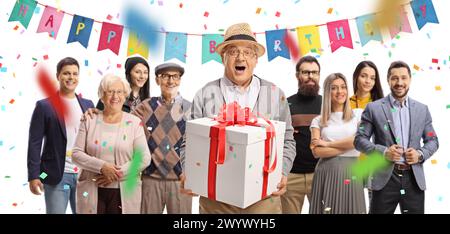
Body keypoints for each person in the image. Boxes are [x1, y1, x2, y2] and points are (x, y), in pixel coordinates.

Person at [180, 22, 296, 214]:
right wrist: (189, 172)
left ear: (256, 59)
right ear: (222, 57)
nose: (241, 57)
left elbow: (288, 141)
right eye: (233, 52)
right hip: (215, 200)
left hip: (263, 199)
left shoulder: (275, 94)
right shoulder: (205, 93)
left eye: (248, 52)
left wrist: (282, 172)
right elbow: (189, 141)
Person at [354, 61, 439, 214]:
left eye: (403, 78)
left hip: (414, 180)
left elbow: (433, 140)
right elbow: (359, 140)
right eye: (394, 78)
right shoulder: (373, 108)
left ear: (410, 79)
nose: (399, 83)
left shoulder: (422, 109)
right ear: (388, 80)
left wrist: (420, 154)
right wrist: (384, 152)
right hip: (384, 179)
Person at [72, 74, 151, 214]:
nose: (115, 96)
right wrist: (102, 167)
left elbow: (144, 158)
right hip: (92, 189)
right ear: (102, 95)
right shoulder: (89, 119)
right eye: (110, 91)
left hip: (124, 191)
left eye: (119, 92)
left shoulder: (134, 123)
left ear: (125, 95)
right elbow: (76, 154)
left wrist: (115, 174)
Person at [27, 57, 94, 214]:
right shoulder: (44, 106)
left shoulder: (88, 105)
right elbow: (35, 143)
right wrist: (34, 176)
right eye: (66, 73)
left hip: (84, 176)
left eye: (75, 74)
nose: (71, 77)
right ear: (58, 76)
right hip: (55, 175)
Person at [132, 63, 192, 214]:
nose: (170, 81)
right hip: (151, 179)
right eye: (165, 76)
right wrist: (96, 112)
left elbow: (200, 145)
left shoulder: (191, 109)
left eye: (175, 76)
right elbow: (121, 123)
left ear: (180, 80)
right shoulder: (146, 106)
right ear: (157, 80)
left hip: (181, 181)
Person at [309, 73, 366, 214]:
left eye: (343, 87)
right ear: (328, 92)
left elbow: (358, 141)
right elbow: (317, 152)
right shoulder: (318, 120)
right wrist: (349, 146)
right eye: (334, 88)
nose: (340, 91)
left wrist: (327, 144)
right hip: (326, 174)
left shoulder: (359, 115)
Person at [281, 56, 322, 214]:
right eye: (306, 72)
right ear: (297, 75)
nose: (311, 76)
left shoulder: (327, 104)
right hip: (291, 176)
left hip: (320, 175)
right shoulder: (286, 103)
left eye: (315, 72)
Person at [349, 60, 384, 207]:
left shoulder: (381, 104)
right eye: (364, 76)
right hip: (350, 162)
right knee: (351, 206)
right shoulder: (345, 102)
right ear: (356, 76)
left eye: (372, 78)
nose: (368, 81)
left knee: (376, 207)